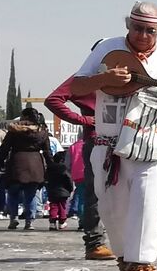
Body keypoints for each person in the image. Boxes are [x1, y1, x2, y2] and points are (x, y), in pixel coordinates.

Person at [69, 3, 157, 271]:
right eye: (138, 28)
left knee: (146, 207)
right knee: (112, 210)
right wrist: (104, 79)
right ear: (128, 25)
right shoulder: (107, 49)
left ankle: (143, 268)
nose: (143, 35)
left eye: (150, 30)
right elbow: (76, 88)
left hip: (149, 147)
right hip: (108, 148)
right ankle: (125, 261)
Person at [46, 62, 112, 260]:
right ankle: (95, 241)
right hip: (97, 139)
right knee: (95, 191)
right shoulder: (86, 77)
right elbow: (54, 100)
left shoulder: (128, 73)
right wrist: (83, 120)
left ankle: (124, 240)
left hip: (127, 138)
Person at [2, 108, 50, 231]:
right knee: (31, 195)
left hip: (17, 164)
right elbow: (47, 151)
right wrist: (51, 165)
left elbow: (5, 148)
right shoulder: (42, 132)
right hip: (35, 165)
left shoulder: (14, 131)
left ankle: (14, 218)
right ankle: (29, 221)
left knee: (13, 193)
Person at [46, 145, 75, 230]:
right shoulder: (64, 168)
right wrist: (70, 189)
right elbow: (68, 179)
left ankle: (52, 222)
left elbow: (46, 178)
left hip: (52, 190)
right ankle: (62, 221)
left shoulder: (50, 168)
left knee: (53, 206)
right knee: (62, 206)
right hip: (64, 191)